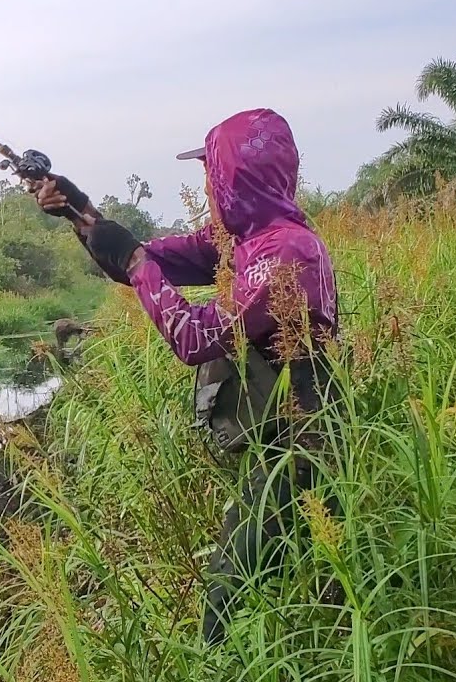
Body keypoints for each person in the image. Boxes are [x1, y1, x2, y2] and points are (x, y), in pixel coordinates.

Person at [30, 108, 340, 644]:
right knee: (276, 569)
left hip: (304, 434)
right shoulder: (240, 241)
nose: (207, 184)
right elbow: (146, 259)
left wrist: (132, 260)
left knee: (230, 589)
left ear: (235, 177)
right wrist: (79, 210)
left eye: (210, 172)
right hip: (274, 429)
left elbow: (194, 337)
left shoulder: (283, 250)